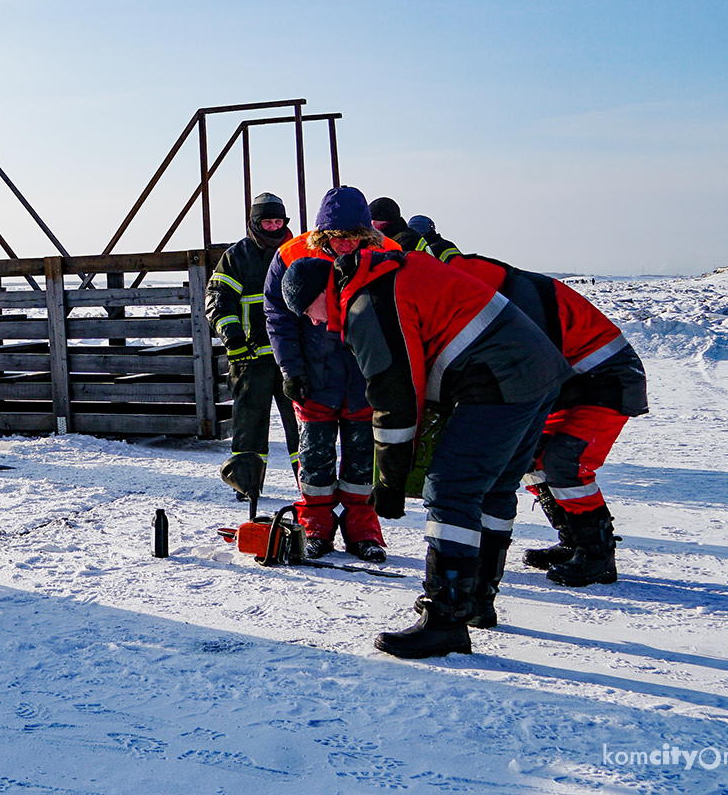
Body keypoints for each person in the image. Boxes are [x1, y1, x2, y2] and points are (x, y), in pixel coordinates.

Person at [282, 247, 571, 659]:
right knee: (494, 489)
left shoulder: (367, 306)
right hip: (537, 370)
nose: (313, 321)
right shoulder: (384, 276)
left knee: (451, 490)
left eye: (308, 311)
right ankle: (476, 602)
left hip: (498, 377)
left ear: (319, 293)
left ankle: (445, 619)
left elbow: (394, 400)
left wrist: (390, 483)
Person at [441, 252, 647, 596]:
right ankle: (573, 539)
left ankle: (598, 555)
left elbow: (536, 364)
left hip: (607, 381)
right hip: (571, 384)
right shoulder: (502, 293)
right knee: (529, 457)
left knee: (565, 463)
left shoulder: (522, 298)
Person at [261, 187, 387, 562]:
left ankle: (363, 528)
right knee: (314, 456)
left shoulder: (388, 254)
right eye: (337, 237)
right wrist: (291, 369)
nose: (345, 244)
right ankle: (315, 526)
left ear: (365, 234)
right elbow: (278, 316)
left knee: (362, 458)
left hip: (365, 377)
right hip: (314, 374)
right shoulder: (291, 255)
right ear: (322, 234)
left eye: (353, 237)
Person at [206, 192, 300, 504]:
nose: (273, 227)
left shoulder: (298, 253)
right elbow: (218, 299)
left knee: (302, 422)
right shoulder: (237, 257)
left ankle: (312, 485)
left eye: (278, 221)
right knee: (249, 425)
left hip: (292, 357)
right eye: (267, 221)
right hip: (249, 358)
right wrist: (232, 336)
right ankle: (248, 486)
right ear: (254, 222)